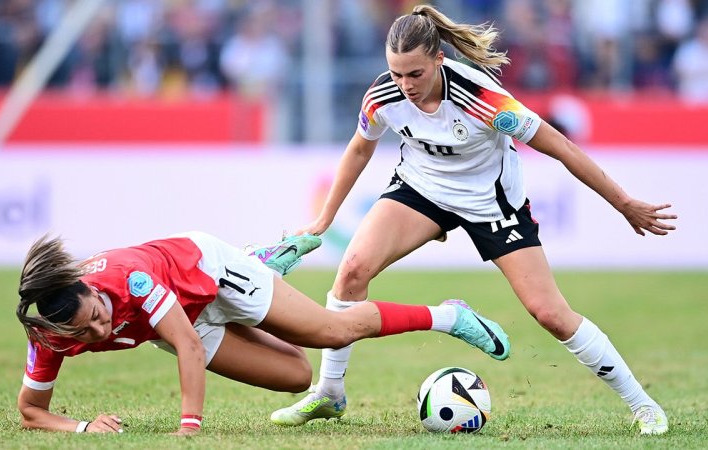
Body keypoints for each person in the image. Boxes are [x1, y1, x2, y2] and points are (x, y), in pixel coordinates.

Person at [270, 5, 676, 435]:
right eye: (396, 73)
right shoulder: (382, 95)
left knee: (550, 314)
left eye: (415, 74)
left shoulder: (481, 99)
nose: (405, 85)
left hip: (493, 204)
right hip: (421, 190)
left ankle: (643, 405)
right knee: (350, 271)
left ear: (439, 61)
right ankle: (330, 393)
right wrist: (323, 219)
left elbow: (561, 147)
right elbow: (358, 149)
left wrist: (624, 202)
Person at [16, 230, 510, 434]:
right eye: (89, 330)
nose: (103, 327)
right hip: (180, 318)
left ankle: (448, 314)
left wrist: (189, 427)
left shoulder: (130, 281)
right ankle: (265, 267)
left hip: (206, 272)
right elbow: (31, 412)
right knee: (296, 376)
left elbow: (187, 346)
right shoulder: (51, 335)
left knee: (331, 333)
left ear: (91, 288)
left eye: (101, 311)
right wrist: (83, 428)